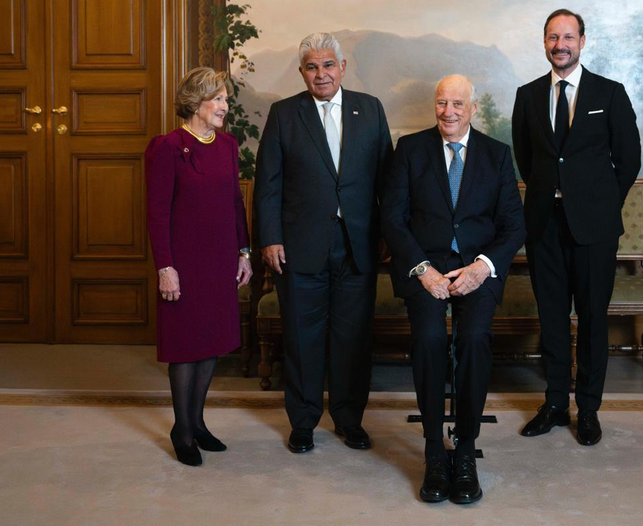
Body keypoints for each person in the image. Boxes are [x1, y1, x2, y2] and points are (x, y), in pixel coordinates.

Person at [382, 75, 525, 504]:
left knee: (475, 339)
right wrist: (422, 269)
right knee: (428, 339)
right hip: (425, 269)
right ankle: (432, 448)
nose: (448, 111)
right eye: (442, 102)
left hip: (476, 269)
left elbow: (514, 226)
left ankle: (464, 449)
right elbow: (393, 217)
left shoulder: (498, 156)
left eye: (457, 104)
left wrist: (483, 268)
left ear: (473, 107)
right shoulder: (410, 150)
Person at [254, 32, 393, 454]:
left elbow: (388, 180)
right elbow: (268, 184)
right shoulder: (283, 114)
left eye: (328, 65)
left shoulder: (369, 109)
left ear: (342, 67)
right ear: (302, 72)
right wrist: (270, 238)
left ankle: (350, 420)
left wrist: (388, 235)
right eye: (312, 67)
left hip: (358, 245)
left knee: (353, 339)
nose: (321, 74)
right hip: (299, 246)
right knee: (302, 337)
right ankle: (303, 422)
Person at [512, 9, 641, 446]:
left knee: (590, 320)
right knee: (550, 320)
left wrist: (599, 203)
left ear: (582, 41)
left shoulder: (611, 92)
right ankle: (553, 404)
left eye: (568, 37)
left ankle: (587, 409)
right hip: (544, 225)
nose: (559, 45)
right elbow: (526, 159)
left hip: (595, 229)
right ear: (544, 42)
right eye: (552, 37)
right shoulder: (527, 95)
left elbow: (629, 159)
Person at [145, 67, 253, 466]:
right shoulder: (167, 147)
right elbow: (157, 213)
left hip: (221, 258)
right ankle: (182, 429)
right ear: (196, 102)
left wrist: (244, 252)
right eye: (219, 99)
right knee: (186, 346)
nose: (226, 105)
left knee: (211, 342)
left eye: (226, 98)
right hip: (184, 262)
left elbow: (235, 204)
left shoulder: (227, 145)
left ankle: (198, 421)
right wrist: (165, 267)